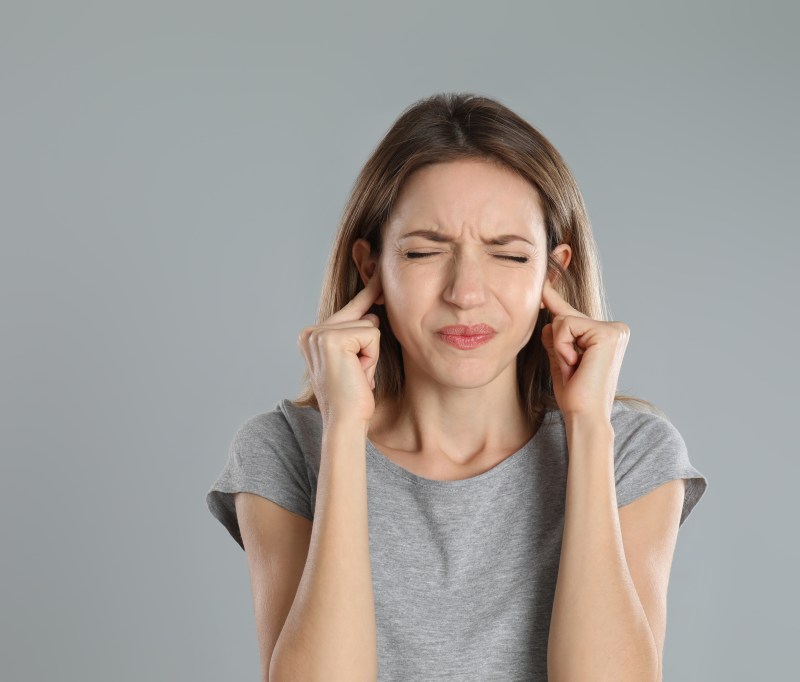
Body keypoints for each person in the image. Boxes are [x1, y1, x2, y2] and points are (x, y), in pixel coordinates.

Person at [205, 92, 708, 681]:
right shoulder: (282, 449)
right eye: (424, 251)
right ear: (371, 268)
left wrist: (589, 427)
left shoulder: (632, 451)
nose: (466, 292)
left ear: (554, 271)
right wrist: (343, 431)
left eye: (509, 255)